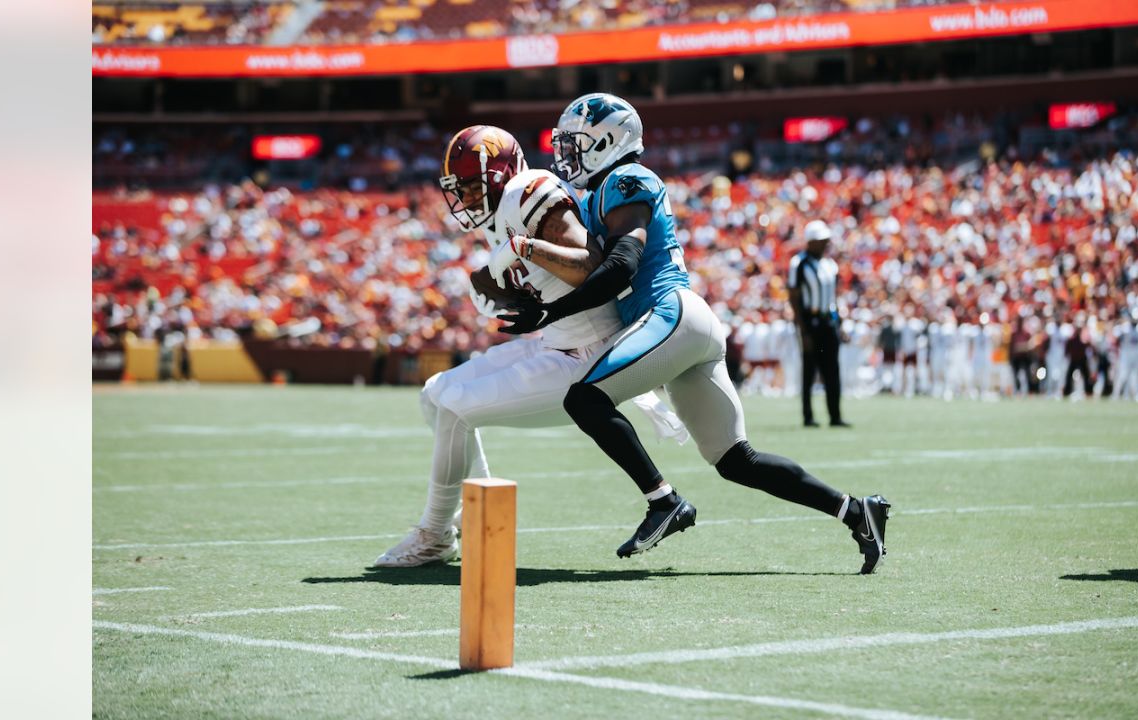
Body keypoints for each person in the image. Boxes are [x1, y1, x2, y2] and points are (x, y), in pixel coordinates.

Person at [494, 93, 890, 573]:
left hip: (671, 315)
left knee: (584, 399)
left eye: (576, 144)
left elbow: (621, 266)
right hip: (683, 327)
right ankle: (856, 511)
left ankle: (664, 502)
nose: (568, 154)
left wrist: (547, 314)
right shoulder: (601, 191)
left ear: (606, 141)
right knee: (736, 461)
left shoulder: (626, 179)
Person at [374, 125, 686, 567]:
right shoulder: (502, 207)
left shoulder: (529, 190)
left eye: (468, 185)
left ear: (500, 175)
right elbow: (531, 281)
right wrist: (495, 289)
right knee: (434, 394)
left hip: (587, 355)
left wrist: (520, 249)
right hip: (556, 344)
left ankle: (434, 534)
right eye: (457, 187)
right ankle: (479, 510)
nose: (462, 197)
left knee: (456, 407)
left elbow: (589, 267)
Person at [787, 220, 850, 427]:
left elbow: (833, 297)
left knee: (833, 369)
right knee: (810, 369)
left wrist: (839, 324)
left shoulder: (830, 264)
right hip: (810, 321)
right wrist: (802, 331)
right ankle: (808, 416)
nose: (826, 243)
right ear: (811, 241)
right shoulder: (799, 263)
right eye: (822, 240)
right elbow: (794, 297)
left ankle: (835, 415)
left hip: (827, 320)